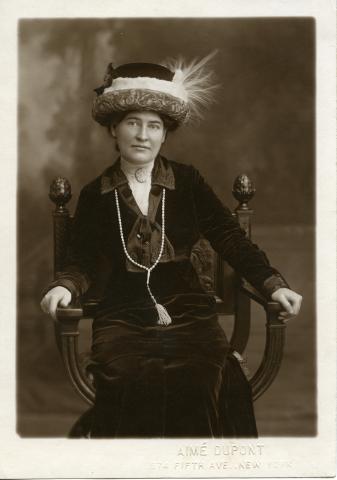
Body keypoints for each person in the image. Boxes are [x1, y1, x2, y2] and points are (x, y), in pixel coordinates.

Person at [41, 56, 302, 437]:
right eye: (133, 123)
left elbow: (230, 237)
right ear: (114, 128)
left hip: (188, 309)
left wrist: (272, 284)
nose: (142, 135)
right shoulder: (96, 194)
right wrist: (66, 285)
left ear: (165, 134)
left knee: (200, 378)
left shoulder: (187, 182)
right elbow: (83, 257)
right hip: (122, 314)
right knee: (127, 376)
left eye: (153, 126)